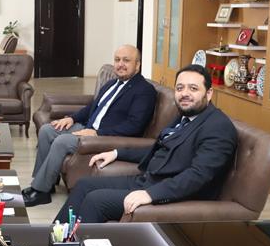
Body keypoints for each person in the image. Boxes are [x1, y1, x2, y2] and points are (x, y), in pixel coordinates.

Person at [54, 64, 237, 223]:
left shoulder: (218, 127)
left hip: (170, 192)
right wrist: (116, 153)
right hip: (148, 180)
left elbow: (198, 176)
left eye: (193, 88)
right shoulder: (186, 116)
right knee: (84, 185)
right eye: (180, 88)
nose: (185, 94)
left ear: (209, 93)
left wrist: (151, 194)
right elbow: (158, 148)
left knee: (96, 200)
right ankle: (56, 241)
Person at [23, 45, 156, 207]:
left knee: (62, 141)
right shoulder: (112, 84)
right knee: (47, 130)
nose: (120, 64)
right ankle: (45, 183)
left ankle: (40, 192)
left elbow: (134, 126)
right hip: (88, 128)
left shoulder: (144, 90)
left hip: (106, 137)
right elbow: (92, 107)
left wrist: (98, 133)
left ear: (137, 65)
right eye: (117, 60)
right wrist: (72, 119)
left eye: (126, 60)